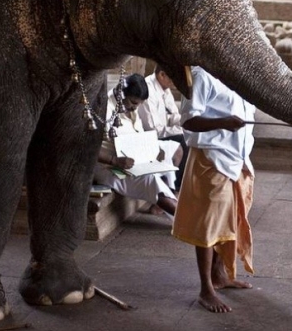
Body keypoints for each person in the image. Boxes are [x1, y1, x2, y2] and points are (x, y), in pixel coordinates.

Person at [172, 66, 256, 314]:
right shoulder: (202, 76)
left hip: (237, 159)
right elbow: (188, 120)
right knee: (207, 225)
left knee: (228, 220)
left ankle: (219, 275)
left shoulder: (239, 75)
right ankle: (205, 289)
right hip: (211, 158)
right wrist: (223, 123)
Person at [94, 74, 181, 217]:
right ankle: (185, 221)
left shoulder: (130, 108)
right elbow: (87, 149)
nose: (135, 108)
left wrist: (154, 149)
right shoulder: (104, 110)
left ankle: (166, 197)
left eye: (139, 104)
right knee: (151, 180)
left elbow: (139, 134)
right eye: (133, 103)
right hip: (110, 166)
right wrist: (114, 160)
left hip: (136, 159)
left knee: (173, 149)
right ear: (122, 94)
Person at [139, 65, 189, 190]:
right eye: (175, 78)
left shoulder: (165, 88)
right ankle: (177, 188)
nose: (178, 82)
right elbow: (154, 130)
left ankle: (185, 186)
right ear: (162, 75)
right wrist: (181, 130)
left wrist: (186, 124)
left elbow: (173, 115)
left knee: (190, 135)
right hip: (149, 136)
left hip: (163, 132)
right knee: (184, 140)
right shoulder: (148, 90)